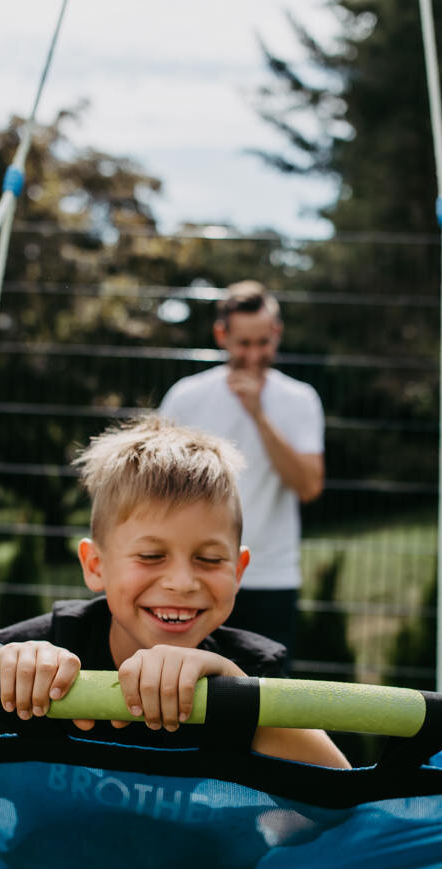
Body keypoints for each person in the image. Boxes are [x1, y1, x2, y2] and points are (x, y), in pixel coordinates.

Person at [0, 415, 347, 769]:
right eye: (150, 556)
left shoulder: (248, 664)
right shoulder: (50, 642)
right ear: (95, 565)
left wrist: (233, 691)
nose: (182, 582)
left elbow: (339, 795)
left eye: (209, 560)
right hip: (60, 856)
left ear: (237, 570)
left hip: (205, 868)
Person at [158, 280, 323, 671]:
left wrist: (258, 414)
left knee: (267, 702)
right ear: (222, 336)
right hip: (195, 577)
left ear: (277, 335)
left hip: (270, 577)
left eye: (263, 343)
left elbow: (309, 485)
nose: (253, 355)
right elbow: (156, 486)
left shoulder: (300, 399)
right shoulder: (186, 396)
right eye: (243, 344)